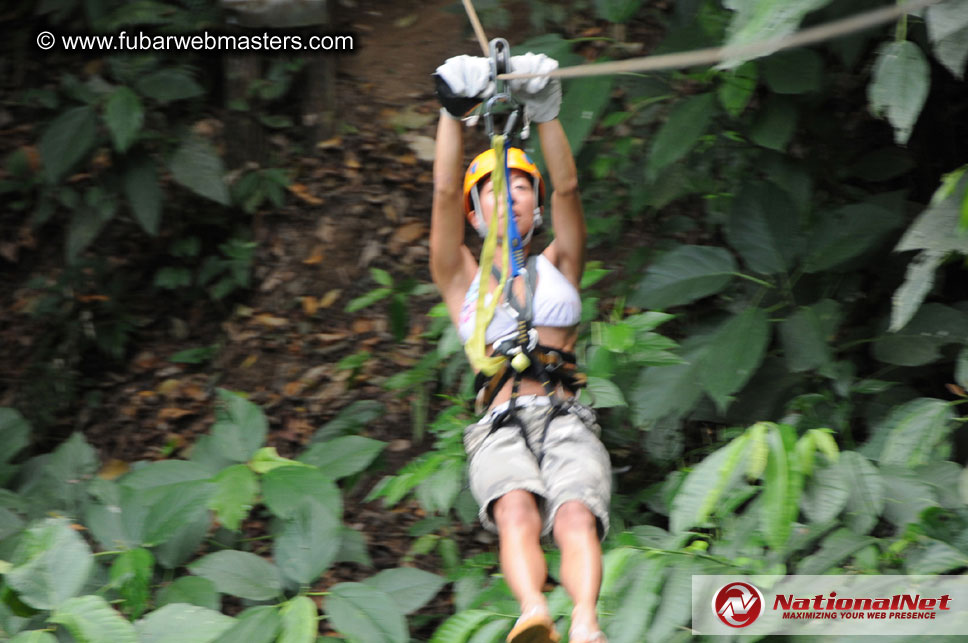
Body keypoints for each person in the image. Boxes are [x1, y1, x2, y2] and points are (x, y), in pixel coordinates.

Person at [429, 53, 612, 643]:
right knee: (515, 510)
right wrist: (453, 114)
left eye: (520, 186)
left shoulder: (559, 263)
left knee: (575, 514)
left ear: (535, 205)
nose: (511, 196)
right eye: (494, 190)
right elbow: (439, 194)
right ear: (474, 211)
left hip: (564, 412)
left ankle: (584, 619)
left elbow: (570, 186)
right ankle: (533, 610)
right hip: (500, 419)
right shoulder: (461, 277)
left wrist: (547, 112)